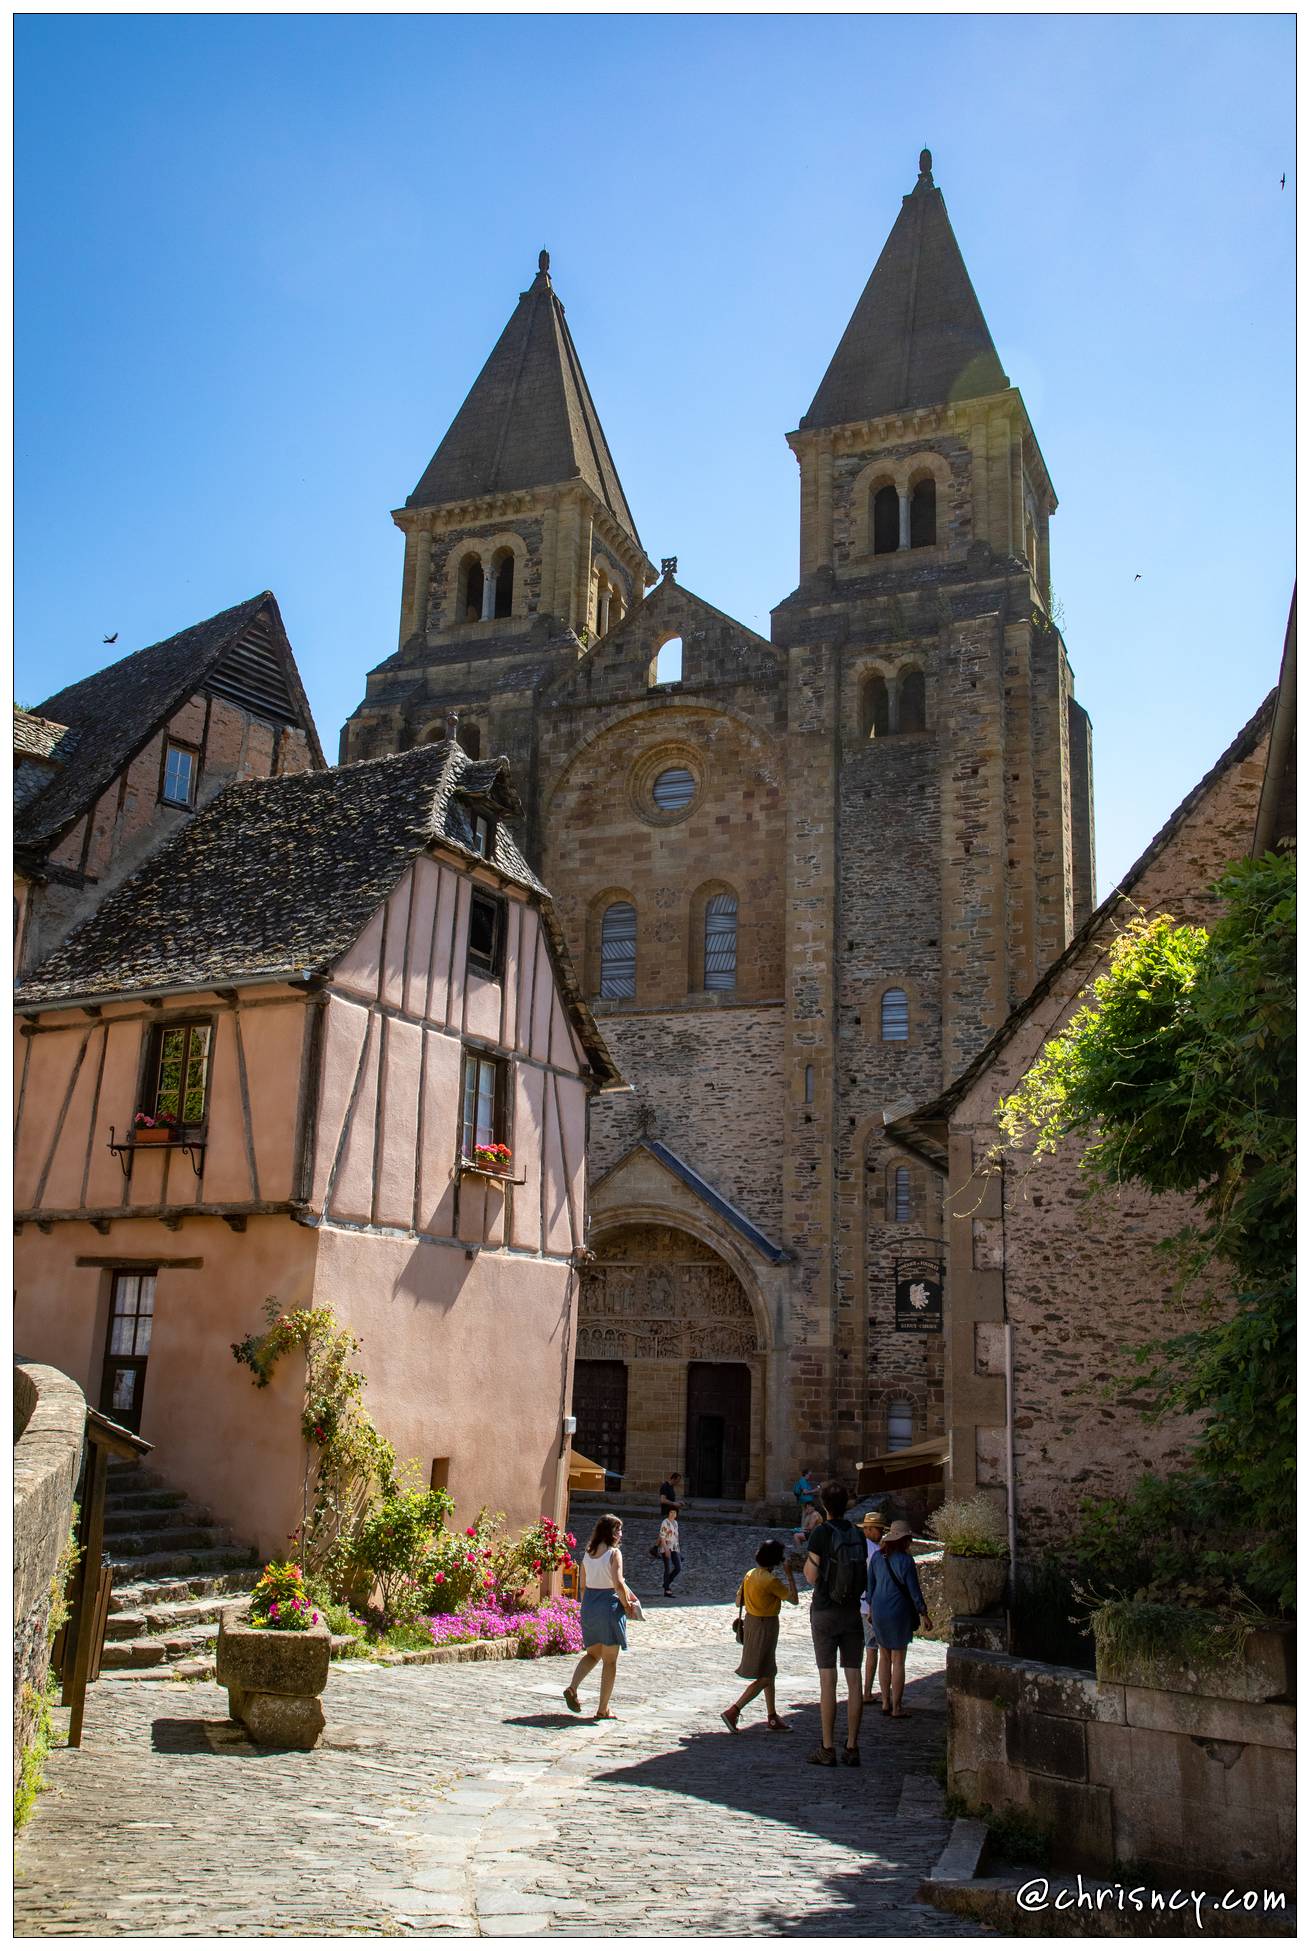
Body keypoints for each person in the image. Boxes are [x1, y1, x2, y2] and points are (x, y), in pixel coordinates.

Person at [803, 1479, 868, 1767]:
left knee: (828, 1681)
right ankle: (852, 1746)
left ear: (825, 1506)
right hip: (852, 1611)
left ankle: (827, 1747)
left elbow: (811, 1577)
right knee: (854, 1681)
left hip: (825, 1610)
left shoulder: (821, 1533)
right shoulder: (857, 1533)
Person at [564, 1514, 641, 1721]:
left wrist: (585, 1605)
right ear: (609, 1532)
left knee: (592, 1654)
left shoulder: (588, 1553)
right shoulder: (614, 1554)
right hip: (608, 1605)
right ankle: (603, 1709)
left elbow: (582, 1584)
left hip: (589, 1604)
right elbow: (617, 1583)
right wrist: (627, 1605)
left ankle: (573, 1688)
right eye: (617, 1530)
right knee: (610, 1661)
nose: (620, 1534)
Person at [722, 1540, 798, 1733]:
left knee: (768, 1670)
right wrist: (789, 1575)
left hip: (751, 1622)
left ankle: (772, 1716)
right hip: (766, 1625)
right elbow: (794, 1600)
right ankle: (734, 1710)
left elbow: (738, 1599)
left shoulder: (750, 1574)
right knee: (766, 1675)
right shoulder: (771, 1581)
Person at [868, 1519, 932, 1718]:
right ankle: (897, 1707)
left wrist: (871, 1609)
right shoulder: (906, 1561)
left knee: (884, 1656)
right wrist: (924, 1613)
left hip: (878, 1609)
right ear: (904, 1540)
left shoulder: (877, 1558)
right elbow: (914, 1590)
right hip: (898, 1610)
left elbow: (870, 1587)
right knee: (898, 1660)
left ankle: (885, 1701)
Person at [858, 1509, 887, 1704]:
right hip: (868, 1605)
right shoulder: (875, 1552)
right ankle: (867, 1692)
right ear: (869, 1529)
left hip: (854, 1603)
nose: (881, 1534)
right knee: (872, 1649)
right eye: (879, 1530)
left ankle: (857, 1690)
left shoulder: (857, 1547)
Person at [657, 1504, 683, 1597]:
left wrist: (679, 1551)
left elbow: (676, 1537)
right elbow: (662, 1537)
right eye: (671, 1512)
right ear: (668, 1513)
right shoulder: (665, 1522)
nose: (672, 1514)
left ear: (676, 1514)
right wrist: (666, 1549)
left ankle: (666, 1583)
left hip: (675, 1547)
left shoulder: (675, 1523)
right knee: (667, 1568)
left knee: (678, 1567)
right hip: (666, 1547)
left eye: (674, 1512)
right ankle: (667, 1590)